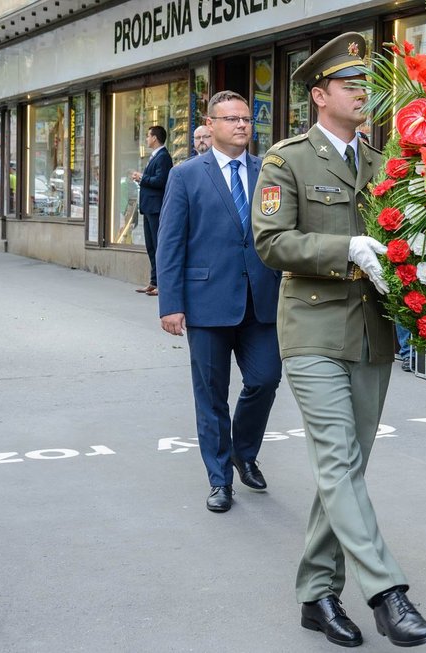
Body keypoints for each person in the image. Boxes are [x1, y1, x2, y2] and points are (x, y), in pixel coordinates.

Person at [252, 33, 426, 648]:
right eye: (351, 84)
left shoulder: (382, 165)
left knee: (346, 472)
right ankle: (387, 592)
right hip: (312, 331)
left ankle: (316, 593)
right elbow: (271, 241)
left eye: (366, 85)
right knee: (339, 463)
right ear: (318, 94)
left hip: (372, 336)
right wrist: (346, 249)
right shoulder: (288, 159)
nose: (363, 94)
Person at [157, 90, 282, 513]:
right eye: (231, 119)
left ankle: (244, 452)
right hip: (206, 302)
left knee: (265, 379)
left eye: (246, 118)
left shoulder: (269, 172)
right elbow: (170, 243)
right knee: (211, 394)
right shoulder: (186, 175)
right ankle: (220, 479)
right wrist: (170, 303)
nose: (241, 125)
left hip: (261, 300)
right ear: (210, 125)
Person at [133, 125, 173, 296]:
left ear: (155, 138)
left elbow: (161, 180)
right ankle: (153, 281)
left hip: (156, 208)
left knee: (158, 246)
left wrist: (142, 177)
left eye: (148, 136)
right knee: (151, 246)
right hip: (149, 207)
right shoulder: (155, 156)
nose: (146, 140)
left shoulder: (163, 157)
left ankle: (162, 284)